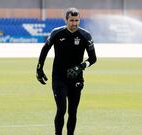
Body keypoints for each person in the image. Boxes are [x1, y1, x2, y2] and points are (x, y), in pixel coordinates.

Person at [36, 7, 97, 135]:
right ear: (66, 20)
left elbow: (93, 58)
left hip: (76, 78)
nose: (74, 23)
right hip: (59, 78)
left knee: (73, 111)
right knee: (61, 109)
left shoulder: (85, 35)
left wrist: (81, 66)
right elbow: (44, 50)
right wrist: (39, 69)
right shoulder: (57, 33)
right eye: (71, 20)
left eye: (77, 20)